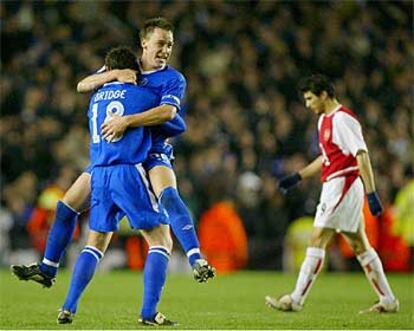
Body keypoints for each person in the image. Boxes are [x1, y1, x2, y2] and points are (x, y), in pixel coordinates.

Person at [11, 17, 215, 287]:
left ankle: (195, 258)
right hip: (113, 155)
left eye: (170, 45)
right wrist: (113, 74)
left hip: (151, 152)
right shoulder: (124, 66)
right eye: (161, 43)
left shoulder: (173, 78)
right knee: (66, 207)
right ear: (144, 43)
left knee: (168, 198)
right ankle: (48, 269)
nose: (166, 50)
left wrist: (127, 121)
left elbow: (170, 114)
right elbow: (82, 85)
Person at [58, 46, 177, 325]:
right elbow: (171, 119)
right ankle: (148, 312)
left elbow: (82, 84)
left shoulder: (96, 99)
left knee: (95, 243)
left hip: (98, 174)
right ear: (132, 71)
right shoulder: (145, 96)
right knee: (161, 240)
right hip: (127, 172)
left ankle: (67, 307)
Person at [265, 74, 399, 314]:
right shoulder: (323, 120)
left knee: (317, 238)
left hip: (343, 185)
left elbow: (362, 154)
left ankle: (295, 299)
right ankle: (388, 300)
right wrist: (298, 177)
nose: (307, 104)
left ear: (323, 95)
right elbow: (326, 158)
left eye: (309, 98)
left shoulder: (343, 120)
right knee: (360, 245)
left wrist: (372, 194)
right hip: (335, 184)